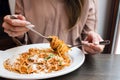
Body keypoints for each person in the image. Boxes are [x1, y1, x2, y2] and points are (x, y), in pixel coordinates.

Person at [2, 0, 104, 54]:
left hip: (73, 62)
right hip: (34, 62)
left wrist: (93, 44)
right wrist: (17, 31)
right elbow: (22, 37)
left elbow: (88, 37)